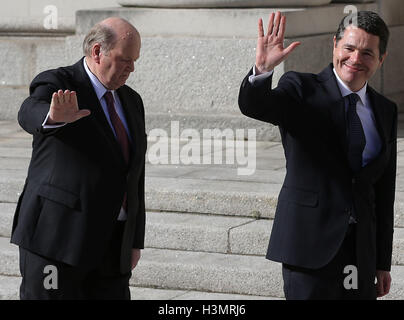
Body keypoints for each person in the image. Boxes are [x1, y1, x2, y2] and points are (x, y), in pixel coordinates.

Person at [238, 11, 396, 300]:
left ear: (381, 58)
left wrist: (381, 262)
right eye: (348, 48)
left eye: (367, 53)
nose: (355, 59)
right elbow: (257, 106)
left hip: (358, 254)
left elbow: (383, 193)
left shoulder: (385, 110)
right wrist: (261, 71)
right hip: (309, 248)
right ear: (334, 45)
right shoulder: (301, 89)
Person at [10, 17, 147, 299]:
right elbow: (28, 110)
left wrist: (133, 239)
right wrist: (51, 117)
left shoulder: (131, 101)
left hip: (112, 247)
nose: (131, 68)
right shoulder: (59, 82)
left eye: (134, 60)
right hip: (57, 242)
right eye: (125, 59)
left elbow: (135, 174)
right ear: (98, 52)